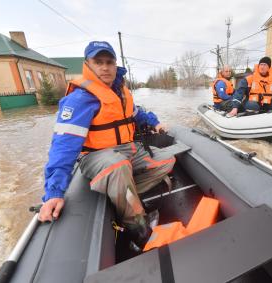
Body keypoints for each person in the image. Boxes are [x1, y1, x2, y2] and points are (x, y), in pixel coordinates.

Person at [38, 41, 176, 248]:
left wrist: (155, 123)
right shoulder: (79, 99)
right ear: (88, 64)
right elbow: (63, 147)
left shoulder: (120, 92)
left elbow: (137, 114)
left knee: (167, 161)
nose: (105, 67)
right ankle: (139, 229)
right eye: (98, 62)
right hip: (95, 155)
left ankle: (120, 192)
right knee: (118, 166)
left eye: (109, 62)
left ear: (115, 64)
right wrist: (54, 193)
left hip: (127, 149)